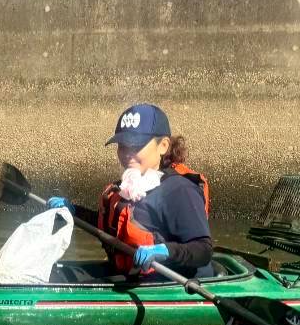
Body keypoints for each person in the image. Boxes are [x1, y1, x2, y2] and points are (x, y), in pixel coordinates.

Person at [48, 103, 214, 279]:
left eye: (136, 146)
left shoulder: (179, 190)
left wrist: (166, 251)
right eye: (122, 145)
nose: (127, 153)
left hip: (165, 282)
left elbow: (203, 250)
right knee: (53, 274)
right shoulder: (128, 186)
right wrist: (73, 212)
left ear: (163, 145)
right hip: (126, 275)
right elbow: (113, 227)